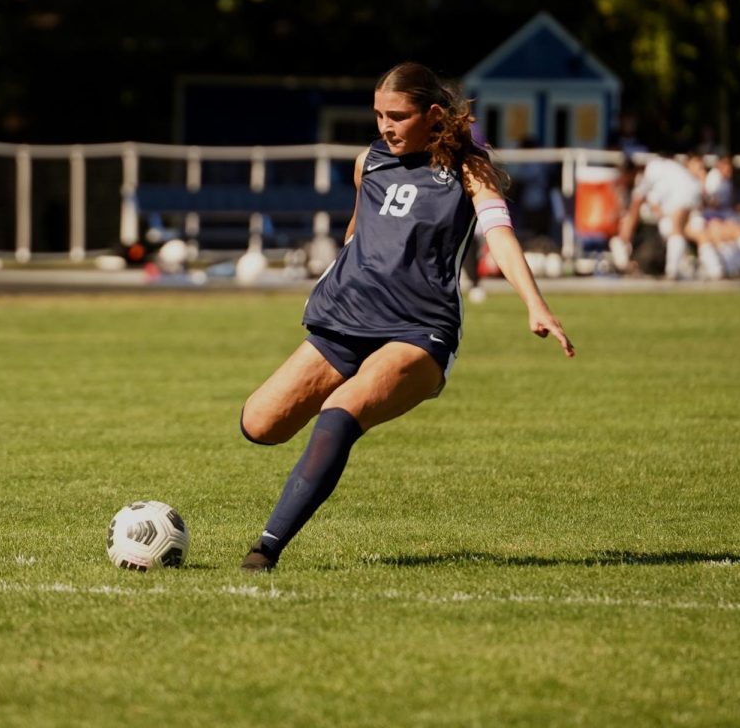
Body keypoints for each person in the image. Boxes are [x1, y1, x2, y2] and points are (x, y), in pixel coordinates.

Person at [237, 62, 574, 572]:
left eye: (396, 115)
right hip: (345, 318)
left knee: (341, 413)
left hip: (418, 328)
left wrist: (535, 303)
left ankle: (265, 550)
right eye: (377, 115)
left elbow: (499, 236)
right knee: (258, 424)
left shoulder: (469, 167)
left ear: (433, 114)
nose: (384, 126)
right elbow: (358, 230)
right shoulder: (367, 162)